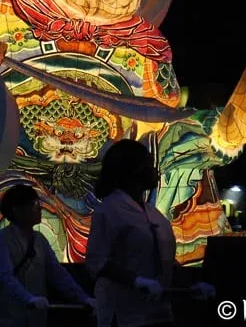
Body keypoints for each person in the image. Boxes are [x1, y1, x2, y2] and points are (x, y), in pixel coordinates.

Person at [85, 140, 216, 327]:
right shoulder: (109, 209)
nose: (155, 170)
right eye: (149, 165)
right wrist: (137, 281)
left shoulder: (153, 213)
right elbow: (97, 261)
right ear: (133, 170)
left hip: (158, 312)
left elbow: (164, 259)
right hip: (124, 314)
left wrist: (191, 284)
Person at [0, 184, 95, 327]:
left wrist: (83, 298)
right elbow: (3, 276)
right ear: (17, 210)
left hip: (34, 319)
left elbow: (58, 274)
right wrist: (28, 299)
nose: (40, 208)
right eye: (34, 204)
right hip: (5, 319)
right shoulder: (1, 239)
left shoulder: (40, 240)